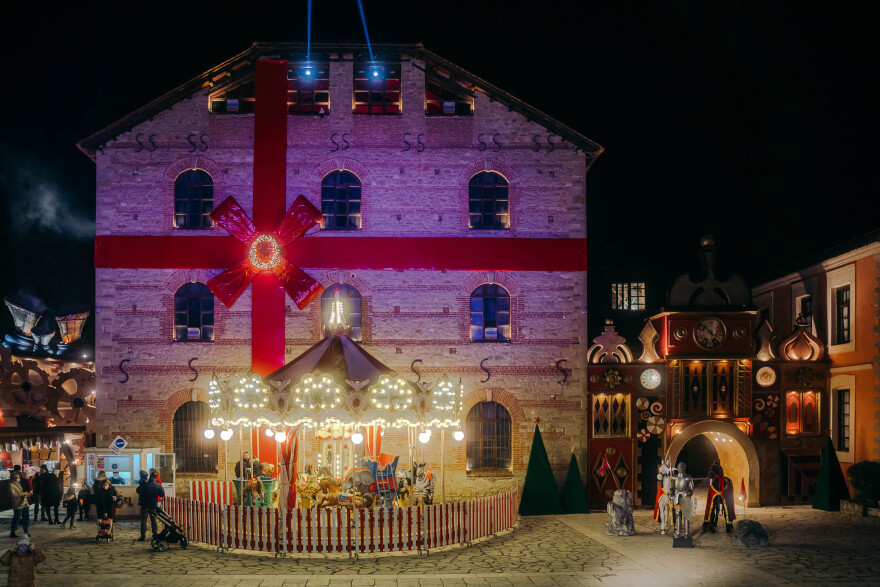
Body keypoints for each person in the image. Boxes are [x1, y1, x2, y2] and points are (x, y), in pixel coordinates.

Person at [136, 469, 165, 542]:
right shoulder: (158, 485)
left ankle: (142, 536)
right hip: (153, 505)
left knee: (144, 520)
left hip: (144, 504)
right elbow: (162, 494)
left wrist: (142, 483)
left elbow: (138, 491)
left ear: (150, 476)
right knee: (153, 520)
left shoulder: (145, 484)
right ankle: (155, 534)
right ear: (156, 477)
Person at [8, 472, 31, 538]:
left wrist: (27, 493)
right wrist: (23, 493)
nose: (19, 479)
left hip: (24, 503)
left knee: (26, 517)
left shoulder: (20, 483)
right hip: (17, 504)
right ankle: (13, 532)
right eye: (17, 478)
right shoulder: (11, 485)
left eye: (19, 477)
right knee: (17, 517)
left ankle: (26, 531)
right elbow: (13, 495)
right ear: (14, 478)